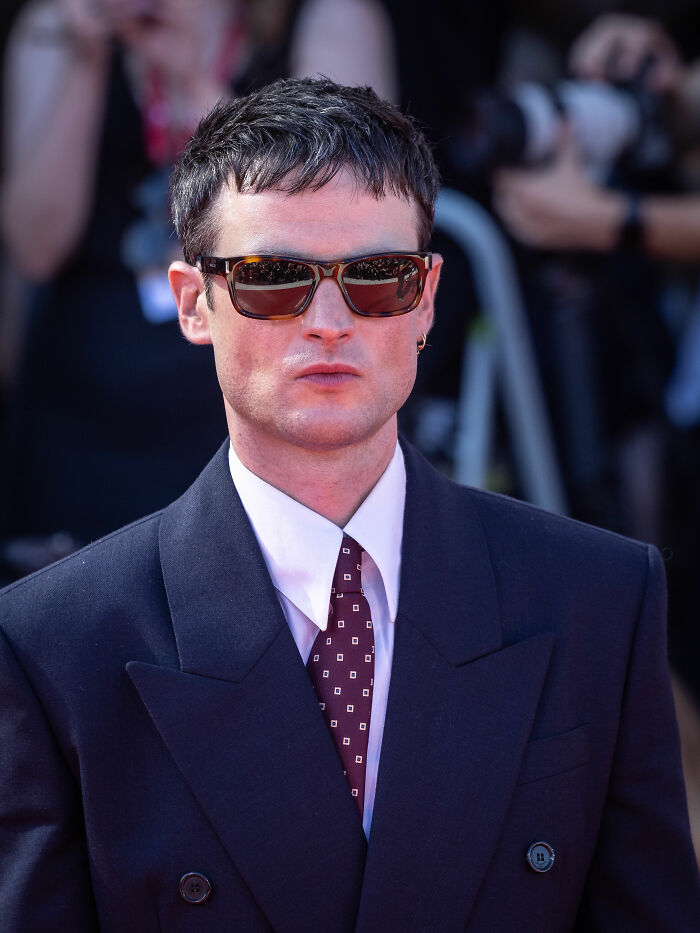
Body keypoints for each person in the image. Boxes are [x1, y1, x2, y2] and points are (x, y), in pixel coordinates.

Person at [1, 77, 699, 931]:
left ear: (427, 300)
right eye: (271, 277)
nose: (329, 319)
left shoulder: (601, 598)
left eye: (376, 276)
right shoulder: (54, 644)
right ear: (194, 303)